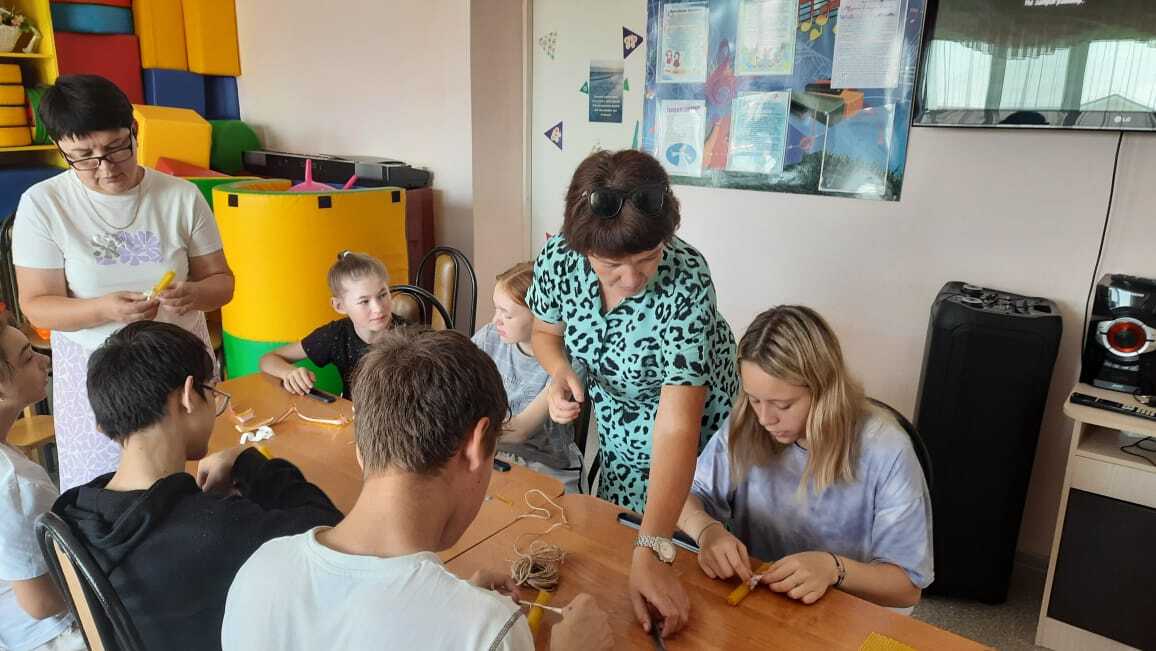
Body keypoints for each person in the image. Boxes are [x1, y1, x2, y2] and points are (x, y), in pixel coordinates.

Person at [222, 328, 614, 650]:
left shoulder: (259, 571)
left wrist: (455, 600)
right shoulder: (486, 631)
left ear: (361, 448)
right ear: (477, 445)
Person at [527, 149, 738, 638]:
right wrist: (560, 372)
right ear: (583, 249)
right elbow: (544, 333)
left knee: (695, 559)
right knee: (619, 556)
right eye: (612, 266)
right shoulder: (559, 259)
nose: (632, 278)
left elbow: (678, 427)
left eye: (647, 258)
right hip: (619, 430)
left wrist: (654, 546)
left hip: (695, 436)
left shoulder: (687, 278)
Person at [52, 321, 342, 650]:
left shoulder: (74, 515)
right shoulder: (215, 527)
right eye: (213, 392)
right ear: (189, 396)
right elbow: (330, 532)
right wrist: (247, 461)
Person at [13, 74, 235, 491]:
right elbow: (37, 305)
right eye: (84, 157)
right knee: (110, 490)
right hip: (99, 376)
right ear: (61, 149)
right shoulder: (44, 204)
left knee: (197, 482)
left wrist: (194, 294)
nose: (105, 167)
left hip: (181, 369)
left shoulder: (181, 196)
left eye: (116, 147)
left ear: (134, 130)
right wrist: (104, 309)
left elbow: (222, 284)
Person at [678, 306, 933, 610]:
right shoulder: (746, 423)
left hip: (854, 611)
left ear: (824, 390)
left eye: (783, 405)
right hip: (768, 599)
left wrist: (833, 569)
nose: (765, 418)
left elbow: (907, 588)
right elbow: (683, 497)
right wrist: (707, 531)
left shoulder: (887, 449)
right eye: (754, 399)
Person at [0, 322, 86, 651]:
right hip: (51, 636)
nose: (43, 359)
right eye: (27, 358)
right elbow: (41, 604)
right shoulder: (13, 483)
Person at [473, 262, 581, 491]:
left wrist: (463, 432)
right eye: (496, 309)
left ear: (540, 317)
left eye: (507, 314)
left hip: (545, 464)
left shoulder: (565, 363)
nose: (495, 320)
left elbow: (520, 430)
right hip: (493, 452)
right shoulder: (489, 337)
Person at [260, 251, 400, 399]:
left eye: (382, 295)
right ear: (339, 306)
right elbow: (268, 359)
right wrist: (288, 372)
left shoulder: (410, 336)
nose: (378, 308)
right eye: (364, 301)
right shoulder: (336, 334)